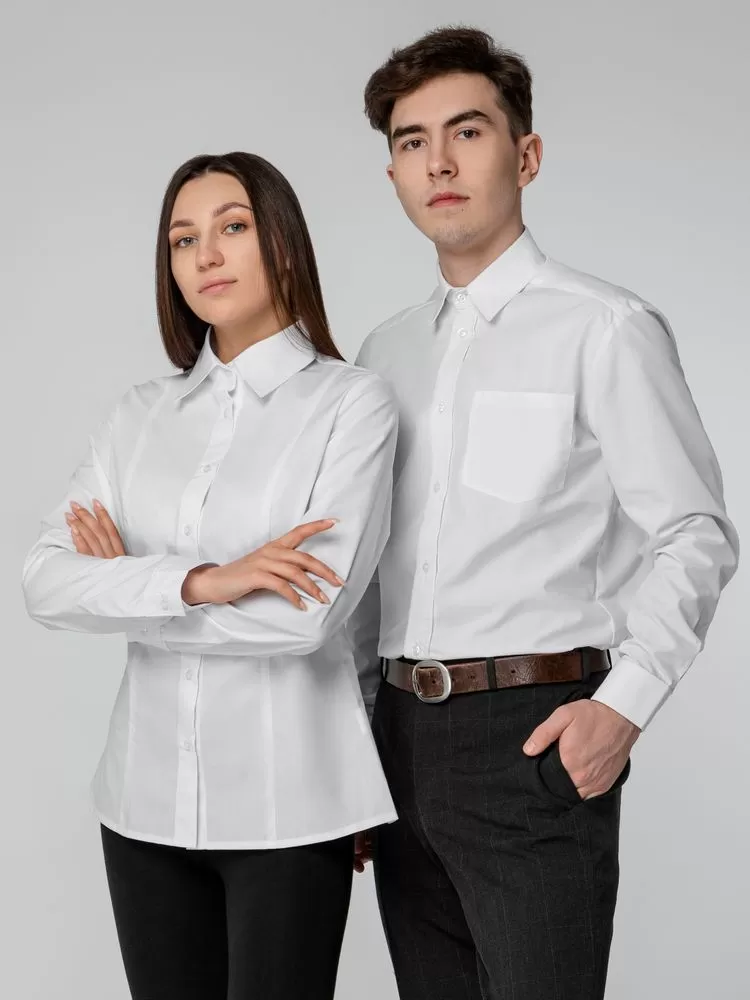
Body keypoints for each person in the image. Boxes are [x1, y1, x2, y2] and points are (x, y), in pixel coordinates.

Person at [348, 26, 740, 1000]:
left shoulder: (603, 329)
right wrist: (348, 745)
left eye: (467, 131)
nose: (438, 163)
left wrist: (624, 706)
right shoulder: (382, 355)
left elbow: (694, 533)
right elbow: (365, 569)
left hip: (528, 736)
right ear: (393, 175)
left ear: (525, 155)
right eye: (411, 142)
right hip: (395, 739)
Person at [22, 151, 398, 1000]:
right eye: (182, 239)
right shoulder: (137, 417)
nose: (206, 256)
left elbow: (307, 619)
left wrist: (129, 585)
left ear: (284, 242)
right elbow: (44, 583)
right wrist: (201, 582)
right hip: (141, 805)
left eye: (233, 226)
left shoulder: (351, 404)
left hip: (289, 809)